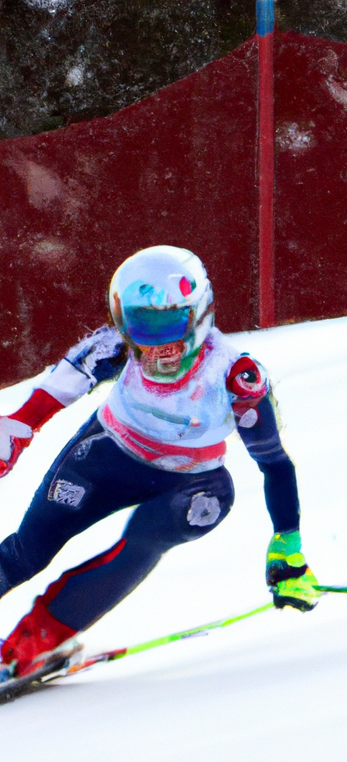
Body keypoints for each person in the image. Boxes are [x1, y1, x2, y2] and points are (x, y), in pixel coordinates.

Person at [0, 245, 319, 682]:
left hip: (191, 481)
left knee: (141, 544)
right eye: (142, 329)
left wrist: (288, 547)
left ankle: (28, 647)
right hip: (107, 453)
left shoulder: (236, 376)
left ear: (200, 314)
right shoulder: (119, 345)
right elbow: (61, 387)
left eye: (170, 325)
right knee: (27, 550)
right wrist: (17, 428)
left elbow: (275, 464)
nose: (157, 347)